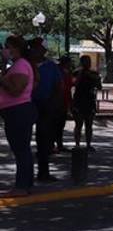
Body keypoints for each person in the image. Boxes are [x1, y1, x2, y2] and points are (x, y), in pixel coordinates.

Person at [0, 35, 37, 196]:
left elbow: (16, 90)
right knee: (23, 149)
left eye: (8, 46)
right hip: (14, 111)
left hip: (18, 110)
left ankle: (21, 186)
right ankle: (26, 184)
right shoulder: (17, 65)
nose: (5, 49)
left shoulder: (21, 65)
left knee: (20, 149)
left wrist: (1, 79)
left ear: (16, 48)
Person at [28, 38, 63, 182]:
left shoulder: (50, 66)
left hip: (45, 104)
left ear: (43, 50)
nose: (34, 50)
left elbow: (58, 86)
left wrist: (54, 104)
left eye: (37, 48)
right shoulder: (26, 64)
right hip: (28, 104)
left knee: (43, 140)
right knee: (24, 140)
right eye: (32, 47)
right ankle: (25, 175)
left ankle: (43, 172)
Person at [72, 55, 101, 150]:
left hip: (90, 101)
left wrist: (95, 78)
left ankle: (88, 144)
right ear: (81, 62)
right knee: (78, 124)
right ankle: (77, 144)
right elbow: (74, 84)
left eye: (88, 61)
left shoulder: (94, 73)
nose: (87, 63)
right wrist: (81, 74)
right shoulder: (76, 73)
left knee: (89, 124)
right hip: (79, 101)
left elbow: (99, 87)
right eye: (85, 61)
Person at [55, 56, 73, 151]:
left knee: (60, 124)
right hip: (57, 101)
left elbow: (69, 89)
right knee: (56, 124)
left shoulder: (67, 73)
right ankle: (53, 144)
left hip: (64, 101)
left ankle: (59, 144)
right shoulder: (58, 72)